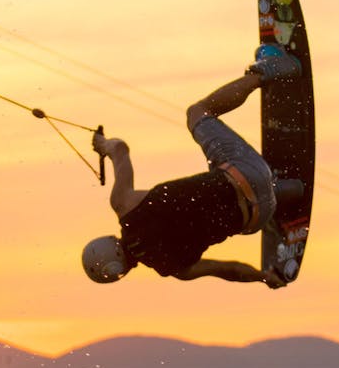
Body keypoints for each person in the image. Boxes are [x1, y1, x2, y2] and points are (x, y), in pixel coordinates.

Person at [81, 50, 299, 286]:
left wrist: (264, 276)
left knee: (218, 207)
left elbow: (231, 270)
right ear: (107, 241)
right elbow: (120, 149)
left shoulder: (174, 268)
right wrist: (103, 145)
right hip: (246, 173)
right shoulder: (125, 205)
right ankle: (272, 70)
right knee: (197, 112)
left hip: (257, 217)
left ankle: (287, 191)